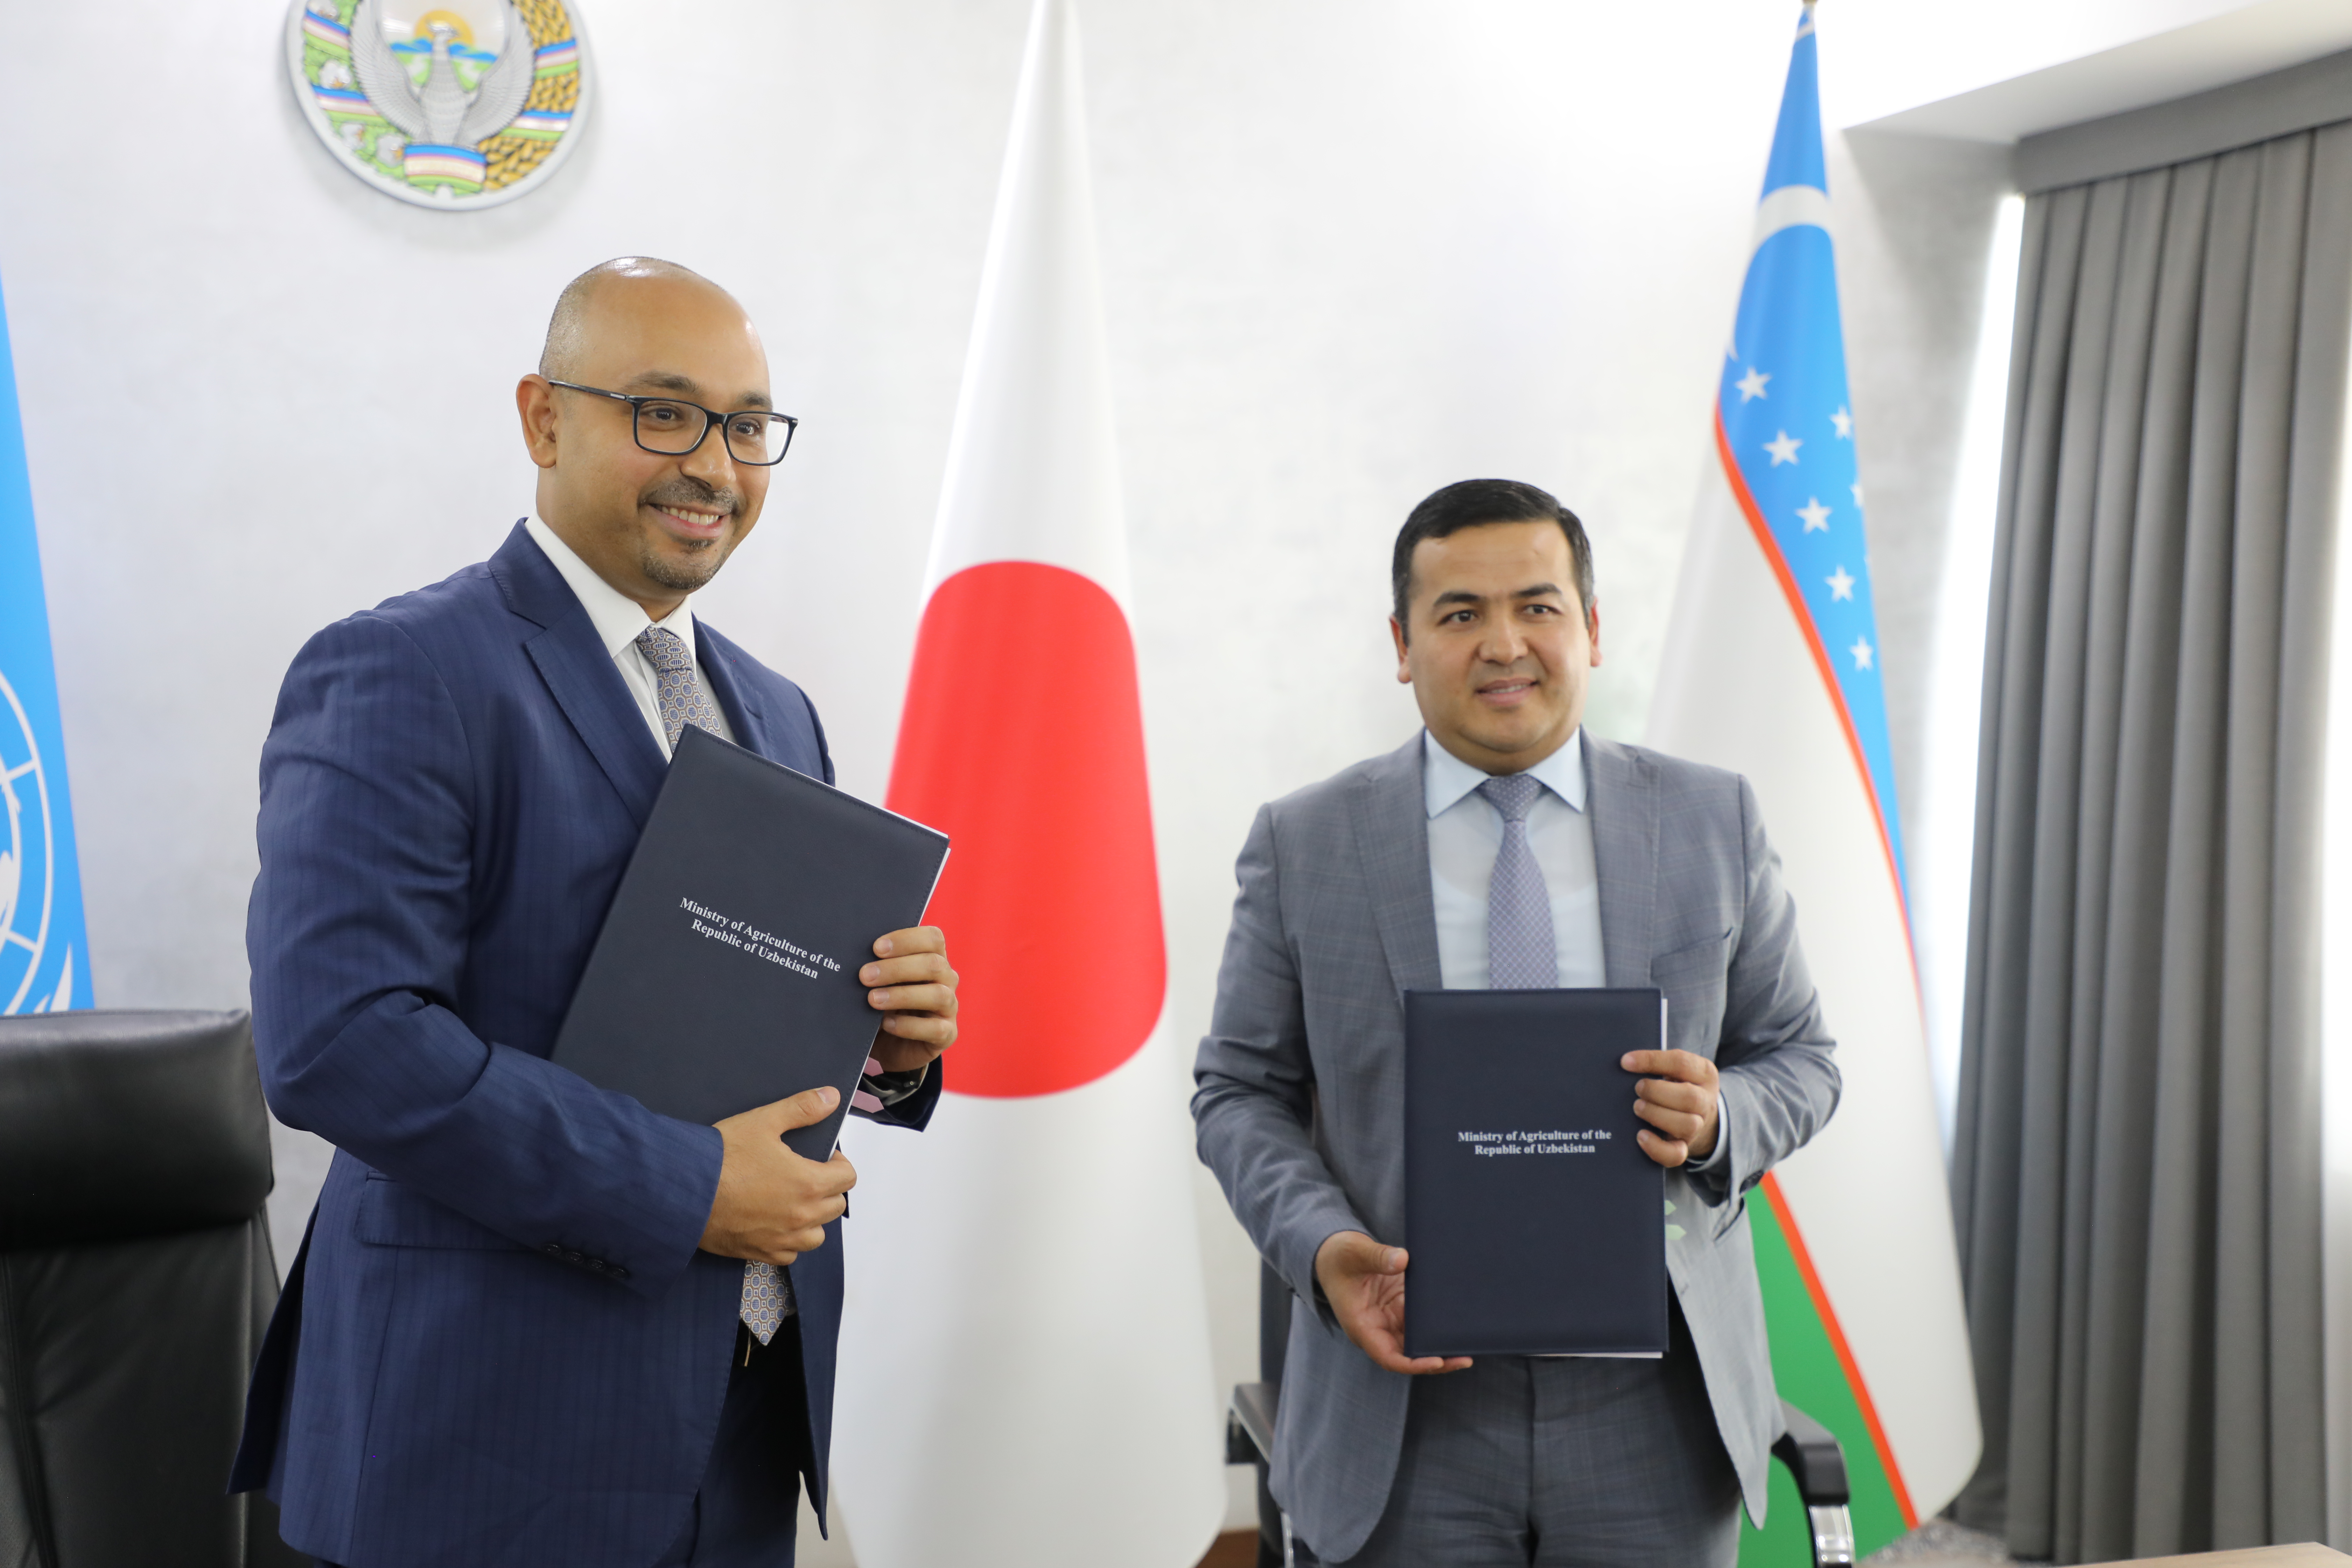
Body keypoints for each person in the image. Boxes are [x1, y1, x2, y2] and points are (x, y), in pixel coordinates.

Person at [230, 257, 959, 1568]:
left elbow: (746, 1022)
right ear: (542, 418)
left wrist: (887, 1052)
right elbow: (341, 1041)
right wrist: (687, 1188)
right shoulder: (404, 668)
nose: (716, 467)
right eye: (664, 412)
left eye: (747, 427)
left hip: (735, 1425)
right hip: (483, 1436)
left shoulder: (774, 710)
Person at [1192, 478, 1840, 1567]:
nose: (1505, 644)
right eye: (1459, 615)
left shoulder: (1709, 818)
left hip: (1656, 1405)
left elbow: (1803, 1059)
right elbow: (1237, 1092)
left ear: (1591, 630)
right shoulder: (1304, 844)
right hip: (1405, 1406)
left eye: (1539, 607)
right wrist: (1325, 1248)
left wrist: (1723, 1113)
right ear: (1402, 645)